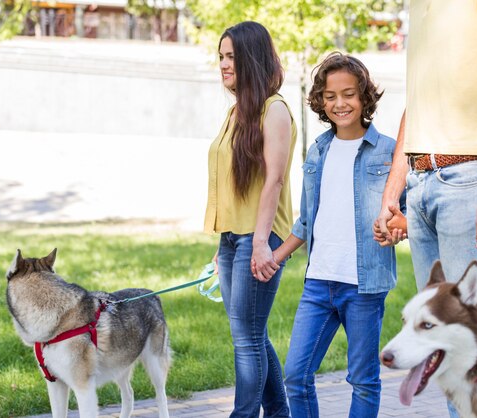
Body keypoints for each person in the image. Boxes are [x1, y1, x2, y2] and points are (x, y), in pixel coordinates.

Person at [374, 2, 477, 417]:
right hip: (422, 183)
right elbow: (418, 102)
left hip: (466, 181)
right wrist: (395, 183)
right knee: (442, 345)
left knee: (475, 346)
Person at [261, 52, 406, 418]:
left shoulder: (390, 151)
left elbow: (406, 215)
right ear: (321, 101)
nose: (340, 103)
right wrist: (274, 258)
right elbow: (307, 220)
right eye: (330, 96)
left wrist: (395, 231)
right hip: (318, 283)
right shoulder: (318, 150)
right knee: (296, 374)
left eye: (349, 94)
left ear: (365, 97)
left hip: (364, 285)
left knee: (363, 379)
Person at [203, 21, 297, 418]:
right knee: (251, 335)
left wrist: (260, 243)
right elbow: (231, 186)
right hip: (232, 240)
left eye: (232, 57)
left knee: (246, 340)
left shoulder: (274, 110)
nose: (224, 65)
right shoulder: (235, 112)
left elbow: (273, 179)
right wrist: (221, 246)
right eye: (221, 57)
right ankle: (278, 413)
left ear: (252, 59)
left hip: (260, 239)